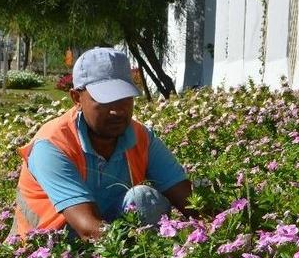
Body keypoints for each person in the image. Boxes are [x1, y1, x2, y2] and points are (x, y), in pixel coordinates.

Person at [11, 47, 193, 240]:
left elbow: (190, 200)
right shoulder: (53, 145)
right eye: (105, 100)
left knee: (143, 199)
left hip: (109, 237)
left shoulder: (141, 137)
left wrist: (211, 230)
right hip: (51, 248)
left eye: (124, 99)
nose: (117, 111)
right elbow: (87, 229)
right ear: (77, 98)